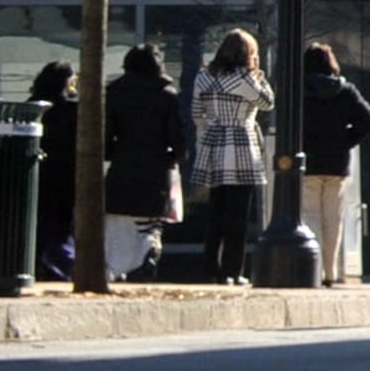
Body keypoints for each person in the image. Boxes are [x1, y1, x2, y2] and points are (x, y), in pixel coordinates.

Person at [189, 30, 274, 285]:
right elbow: (267, 102)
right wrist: (259, 76)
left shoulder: (204, 76)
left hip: (214, 142)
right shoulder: (244, 78)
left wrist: (212, 126)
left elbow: (197, 114)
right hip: (241, 143)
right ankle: (232, 270)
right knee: (238, 216)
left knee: (216, 211)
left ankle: (210, 268)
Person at [297, 43, 370, 287]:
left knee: (310, 216)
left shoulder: (300, 91)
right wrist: (347, 140)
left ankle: (312, 270)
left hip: (308, 161)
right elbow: (368, 119)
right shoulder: (345, 90)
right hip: (337, 162)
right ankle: (330, 272)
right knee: (333, 219)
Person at [101, 45, 186, 283]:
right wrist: (175, 157)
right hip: (156, 168)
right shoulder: (167, 95)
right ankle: (148, 250)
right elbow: (177, 137)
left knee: (119, 225)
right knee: (151, 222)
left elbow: (106, 135)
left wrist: (111, 154)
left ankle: (119, 269)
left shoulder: (115, 92)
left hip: (123, 167)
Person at [28, 61, 77, 283]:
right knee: (62, 224)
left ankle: (42, 262)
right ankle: (59, 266)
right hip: (66, 174)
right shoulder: (72, 110)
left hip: (36, 173)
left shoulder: (32, 108)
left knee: (41, 221)